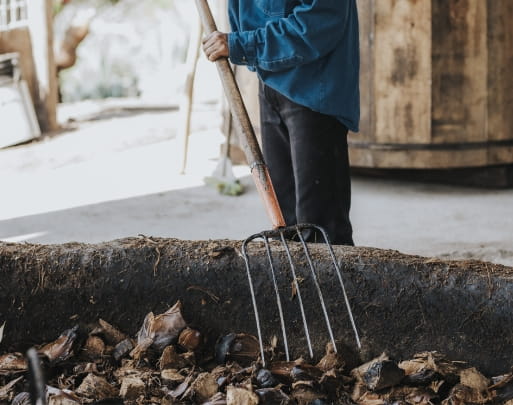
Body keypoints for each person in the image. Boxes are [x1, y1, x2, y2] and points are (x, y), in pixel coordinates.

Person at [202, 0, 359, 246]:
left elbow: (316, 24)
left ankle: (331, 284)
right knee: (287, 222)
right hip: (271, 82)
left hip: (313, 90)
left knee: (320, 226)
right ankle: (295, 283)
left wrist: (241, 44)